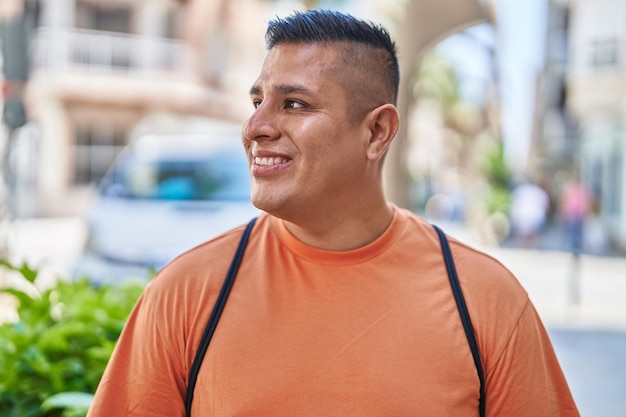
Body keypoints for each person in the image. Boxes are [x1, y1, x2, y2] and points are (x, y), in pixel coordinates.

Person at [87, 9, 579, 417]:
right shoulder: (184, 294)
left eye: (294, 104)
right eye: (258, 100)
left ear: (377, 133)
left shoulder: (485, 300)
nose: (256, 126)